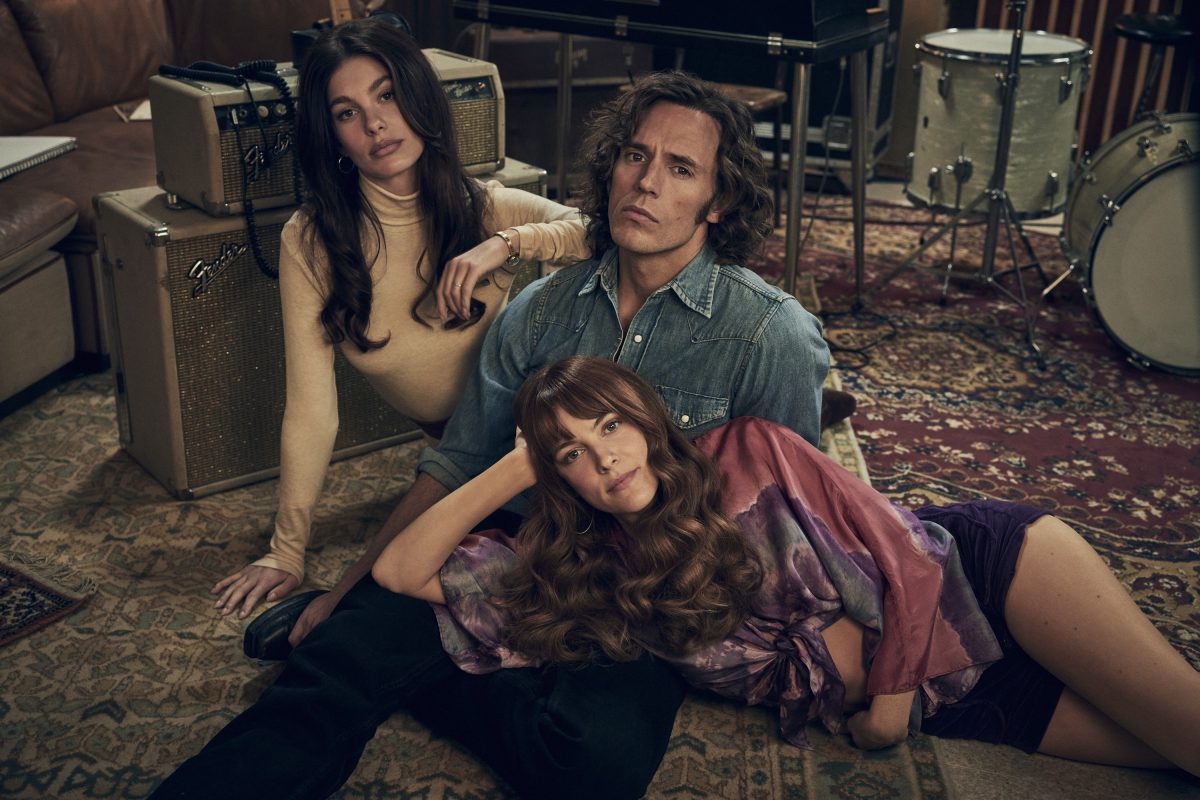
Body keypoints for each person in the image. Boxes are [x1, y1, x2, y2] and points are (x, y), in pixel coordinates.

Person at [153, 70, 832, 800]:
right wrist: (347, 593)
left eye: (681, 168)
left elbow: (788, 527)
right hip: (515, 555)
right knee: (332, 664)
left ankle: (444, 676)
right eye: (635, 157)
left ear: (718, 199)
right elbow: (457, 465)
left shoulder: (771, 334)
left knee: (594, 768)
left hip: (639, 602)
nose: (647, 184)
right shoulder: (539, 310)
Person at [374, 355, 1200, 777]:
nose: (606, 460)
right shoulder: (594, 574)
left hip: (985, 581)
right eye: (574, 455)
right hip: (959, 703)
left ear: (644, 419)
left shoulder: (749, 450)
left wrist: (886, 707)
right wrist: (514, 467)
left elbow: (907, 561)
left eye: (611, 428)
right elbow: (401, 575)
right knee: (1171, 758)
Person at [210, 18, 591, 620]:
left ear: (416, 97)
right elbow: (311, 411)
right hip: (462, 462)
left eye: (386, 95)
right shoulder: (310, 243)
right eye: (347, 112)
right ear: (332, 136)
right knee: (390, 593)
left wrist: (506, 244)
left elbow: (602, 234)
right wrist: (286, 552)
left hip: (561, 427)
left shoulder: (483, 204)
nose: (375, 124)